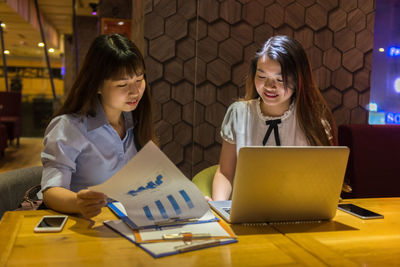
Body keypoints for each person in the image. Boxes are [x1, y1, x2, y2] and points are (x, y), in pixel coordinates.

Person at [40, 34, 156, 218]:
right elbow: (51, 191)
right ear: (97, 85)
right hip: (86, 227)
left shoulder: (136, 120)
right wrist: (78, 202)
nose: (135, 92)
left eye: (139, 80)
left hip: (130, 225)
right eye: (123, 84)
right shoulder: (69, 127)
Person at [211, 35, 339, 201]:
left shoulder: (313, 122)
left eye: (280, 79)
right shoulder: (239, 113)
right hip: (245, 212)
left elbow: (324, 182)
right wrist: (218, 208)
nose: (269, 86)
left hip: (298, 213)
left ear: (299, 80)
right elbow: (225, 172)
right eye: (262, 77)